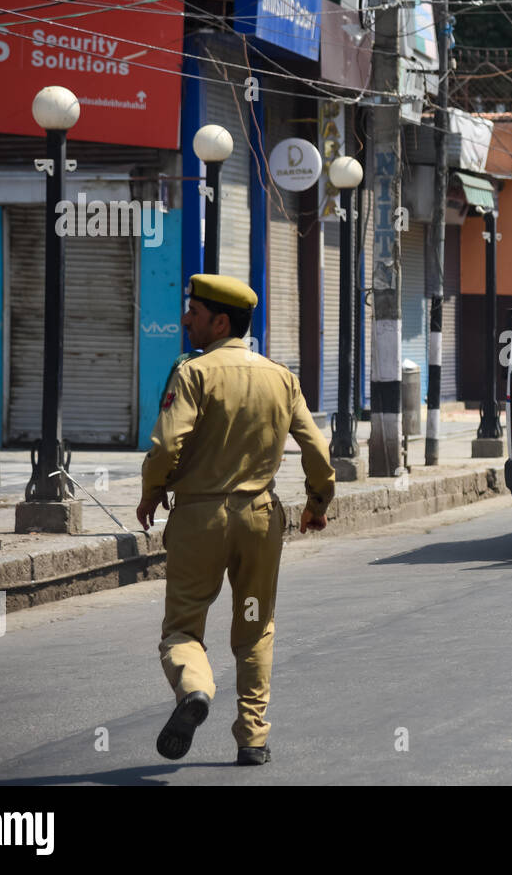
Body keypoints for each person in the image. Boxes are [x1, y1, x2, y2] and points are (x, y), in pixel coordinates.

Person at [137, 274, 336, 766]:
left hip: (199, 519)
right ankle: (252, 737)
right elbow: (317, 448)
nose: (185, 320)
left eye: (194, 314)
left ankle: (196, 690)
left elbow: (165, 445)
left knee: (182, 627)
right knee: (254, 626)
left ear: (220, 321)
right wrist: (317, 502)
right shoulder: (281, 377)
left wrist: (152, 489)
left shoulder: (193, 374)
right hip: (259, 521)